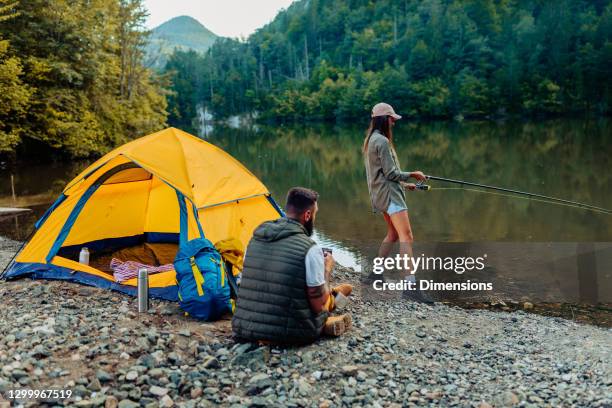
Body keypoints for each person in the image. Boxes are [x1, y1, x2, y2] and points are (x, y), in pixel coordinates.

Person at [232, 187, 353, 344]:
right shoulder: (309, 248)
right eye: (315, 214)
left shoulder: (255, 238)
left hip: (244, 327)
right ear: (307, 215)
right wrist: (327, 270)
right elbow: (318, 305)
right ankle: (332, 306)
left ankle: (335, 294)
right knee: (324, 302)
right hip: (290, 332)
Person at [363, 102, 432, 303]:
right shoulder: (382, 142)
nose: (394, 121)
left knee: (393, 234)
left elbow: (381, 174)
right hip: (391, 197)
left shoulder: (371, 140)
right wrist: (412, 174)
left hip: (381, 195)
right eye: (392, 118)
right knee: (406, 237)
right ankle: (410, 286)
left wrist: (405, 184)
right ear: (385, 119)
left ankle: (375, 274)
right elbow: (391, 173)